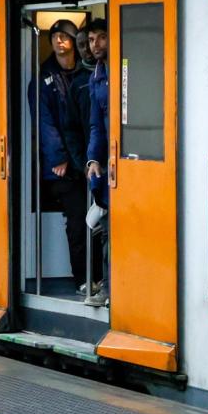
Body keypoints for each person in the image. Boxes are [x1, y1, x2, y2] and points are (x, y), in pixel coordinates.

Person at [34, 20, 96, 300]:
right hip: (64, 169)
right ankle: (84, 279)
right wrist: (59, 158)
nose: (59, 41)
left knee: (95, 221)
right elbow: (44, 123)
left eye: (65, 37)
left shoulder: (87, 74)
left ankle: (99, 277)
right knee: (78, 222)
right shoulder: (44, 79)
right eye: (55, 37)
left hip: (88, 161)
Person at [83, 18, 110, 305]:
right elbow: (95, 124)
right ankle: (107, 290)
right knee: (106, 227)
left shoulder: (120, 69)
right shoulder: (96, 76)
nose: (96, 45)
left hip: (125, 158)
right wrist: (93, 159)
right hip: (107, 163)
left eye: (101, 38)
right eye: (92, 40)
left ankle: (109, 290)